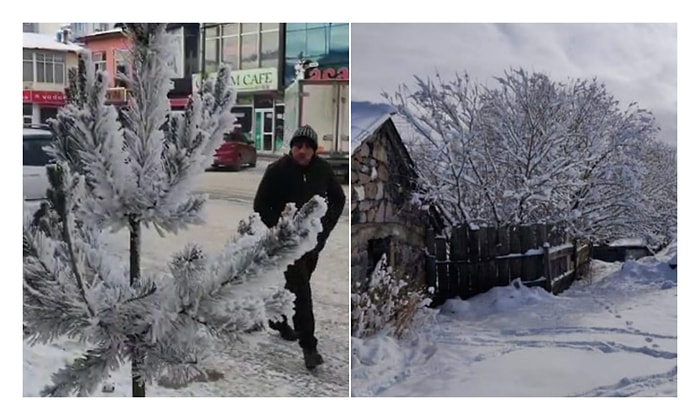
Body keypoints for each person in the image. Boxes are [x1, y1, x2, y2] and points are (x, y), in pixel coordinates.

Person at [253, 124, 346, 370]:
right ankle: (309, 347)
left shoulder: (322, 170)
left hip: (312, 242)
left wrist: (323, 230)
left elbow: (338, 199)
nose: (302, 151)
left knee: (295, 287)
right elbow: (261, 205)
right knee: (303, 292)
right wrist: (281, 228)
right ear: (292, 148)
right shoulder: (277, 170)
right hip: (287, 243)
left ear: (314, 150)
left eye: (307, 147)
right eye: (297, 146)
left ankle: (279, 320)